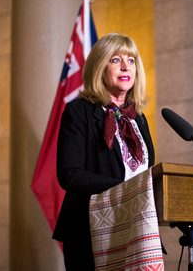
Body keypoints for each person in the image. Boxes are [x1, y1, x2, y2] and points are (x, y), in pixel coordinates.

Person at [52, 33, 155, 270]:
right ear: (100, 66)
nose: (125, 66)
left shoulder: (139, 120)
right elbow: (70, 174)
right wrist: (124, 188)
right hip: (90, 230)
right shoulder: (79, 112)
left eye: (130, 60)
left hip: (136, 226)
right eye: (116, 60)